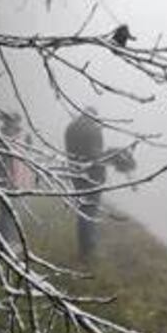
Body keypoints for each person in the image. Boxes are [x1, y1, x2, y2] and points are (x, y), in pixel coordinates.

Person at [64, 108, 105, 258]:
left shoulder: (71, 128)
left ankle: (83, 248)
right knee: (91, 211)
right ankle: (89, 250)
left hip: (76, 174)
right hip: (93, 176)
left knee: (83, 210)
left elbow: (69, 151)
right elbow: (97, 155)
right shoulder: (93, 130)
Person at [0, 111, 22, 243]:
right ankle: (4, 242)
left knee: (8, 211)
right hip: (5, 178)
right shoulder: (1, 138)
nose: (15, 125)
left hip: (14, 178)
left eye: (16, 122)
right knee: (7, 211)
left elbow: (20, 160)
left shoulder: (15, 137)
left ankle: (1, 239)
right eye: (12, 122)